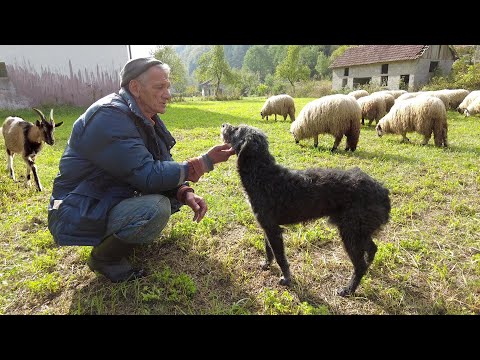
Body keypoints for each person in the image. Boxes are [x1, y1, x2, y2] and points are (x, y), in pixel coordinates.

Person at [47, 57, 235, 283]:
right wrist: (203, 162)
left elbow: (161, 161)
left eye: (168, 86)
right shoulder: (109, 117)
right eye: (159, 87)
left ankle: (119, 237)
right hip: (75, 209)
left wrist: (185, 192)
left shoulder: (142, 115)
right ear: (135, 88)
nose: (168, 94)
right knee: (155, 208)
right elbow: (147, 174)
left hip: (102, 196)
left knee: (162, 198)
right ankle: (104, 258)